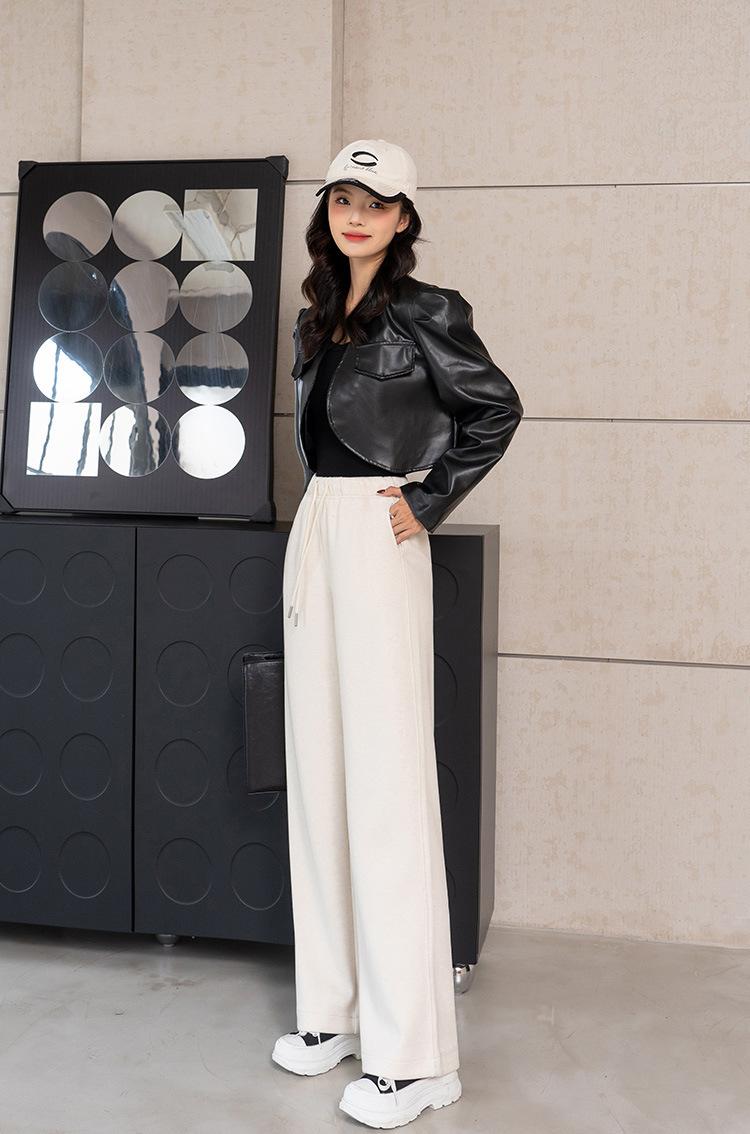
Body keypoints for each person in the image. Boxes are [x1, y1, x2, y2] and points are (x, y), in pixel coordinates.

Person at [272, 139, 524, 1129]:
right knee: (320, 776)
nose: (357, 214)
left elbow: (493, 408)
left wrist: (428, 499)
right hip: (320, 528)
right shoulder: (315, 315)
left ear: (405, 217)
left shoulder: (428, 310)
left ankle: (417, 1060)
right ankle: (336, 1013)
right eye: (343, 197)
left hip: (380, 527)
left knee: (384, 786)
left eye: (377, 202)